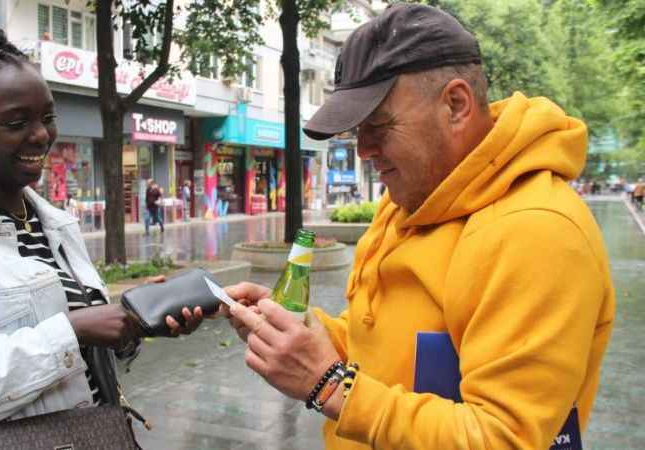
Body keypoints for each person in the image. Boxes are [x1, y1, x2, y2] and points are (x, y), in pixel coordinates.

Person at [224, 4, 615, 450]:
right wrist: (298, 334)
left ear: (456, 104)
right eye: (356, 132)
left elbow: (503, 438)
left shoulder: (538, 232)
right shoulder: (411, 200)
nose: (364, 151)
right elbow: (380, 343)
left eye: (379, 126)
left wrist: (330, 385)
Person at [0, 20, 204, 450]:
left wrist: (131, 324)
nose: (41, 135)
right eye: (16, 122)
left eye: (47, 118)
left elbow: (82, 363)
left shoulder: (54, 223)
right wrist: (72, 332)